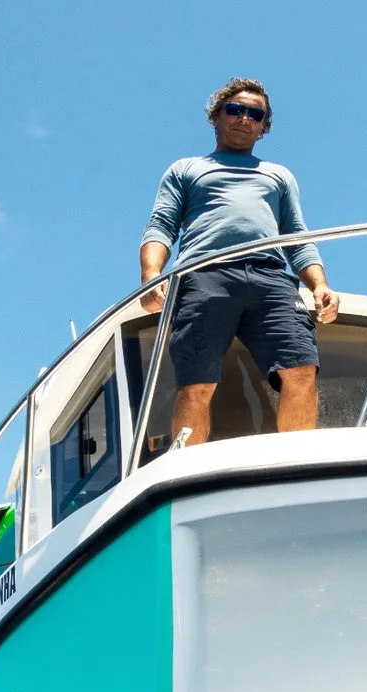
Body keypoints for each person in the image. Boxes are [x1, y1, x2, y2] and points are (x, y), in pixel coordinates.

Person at [139, 78, 341, 451]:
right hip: (204, 275)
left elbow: (296, 235)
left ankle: (297, 465)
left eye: (255, 114)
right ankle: (187, 473)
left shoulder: (279, 175)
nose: (244, 118)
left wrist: (319, 285)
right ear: (216, 117)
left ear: (264, 126)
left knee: (300, 370)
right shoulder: (186, 168)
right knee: (197, 385)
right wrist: (151, 276)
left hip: (271, 277)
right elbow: (162, 225)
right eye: (235, 109)